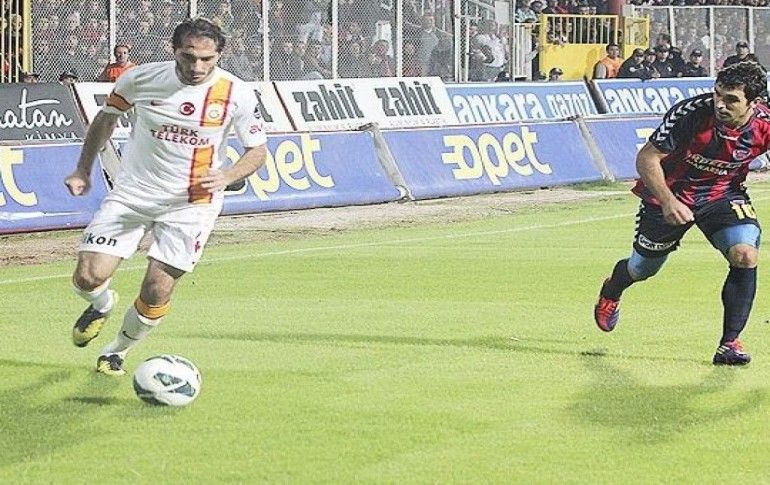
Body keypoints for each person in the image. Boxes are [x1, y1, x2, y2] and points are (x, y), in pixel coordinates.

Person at [63, 18, 268, 376]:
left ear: (220, 55)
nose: (197, 67)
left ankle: (117, 351)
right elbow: (106, 120)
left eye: (207, 59)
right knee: (87, 277)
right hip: (134, 193)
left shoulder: (237, 93)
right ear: (173, 50)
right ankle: (102, 304)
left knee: (157, 290)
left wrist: (227, 175)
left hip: (192, 203)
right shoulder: (140, 79)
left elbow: (257, 151)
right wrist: (83, 169)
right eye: (188, 56)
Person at [593, 61, 770, 366]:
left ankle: (729, 344)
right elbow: (647, 158)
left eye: (731, 100)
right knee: (642, 269)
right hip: (669, 194)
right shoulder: (691, 114)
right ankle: (613, 288)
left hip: (722, 194)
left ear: (754, 103)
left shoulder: (765, 124)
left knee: (745, 254)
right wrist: (667, 202)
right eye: (718, 94)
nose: (720, 104)